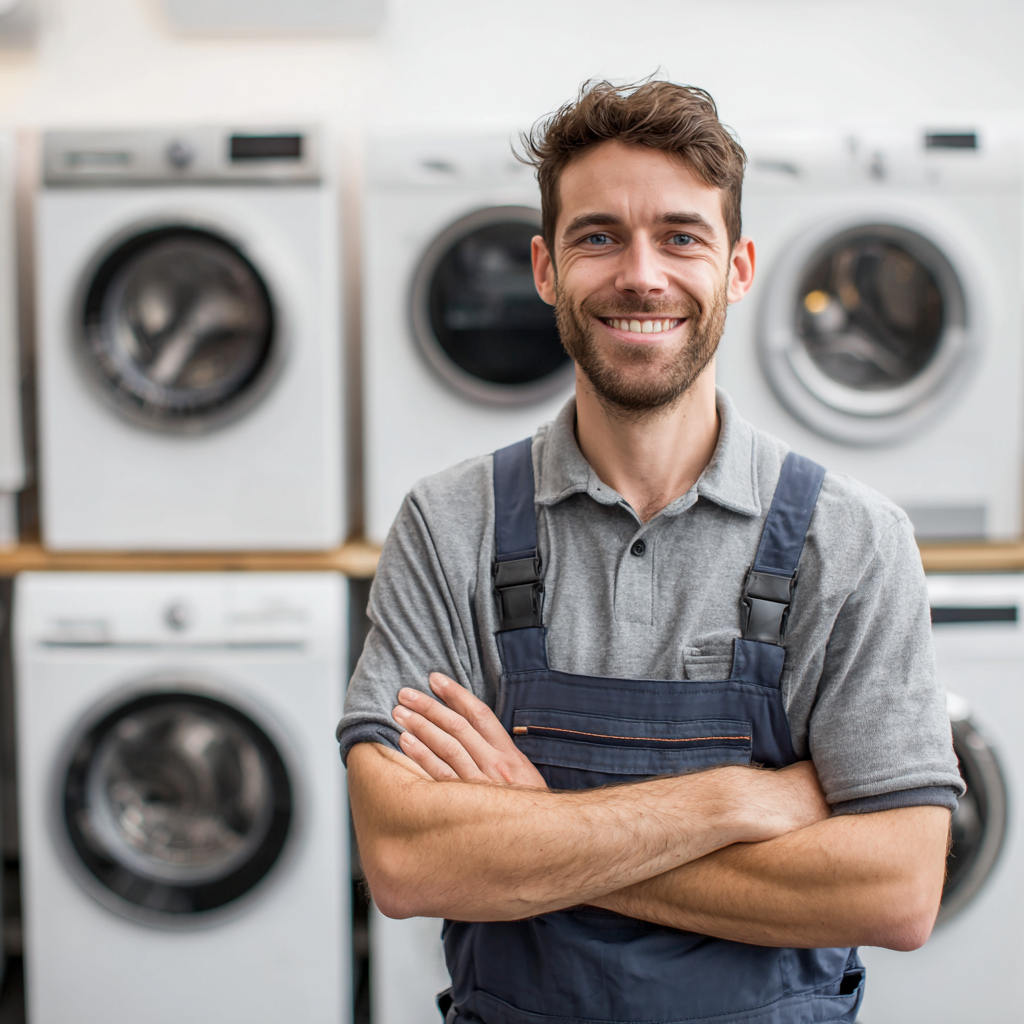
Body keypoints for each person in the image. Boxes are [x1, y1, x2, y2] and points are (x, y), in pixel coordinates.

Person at [338, 79, 963, 1024]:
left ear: (739, 267)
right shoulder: (448, 524)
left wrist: (533, 829)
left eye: (681, 236)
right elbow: (407, 860)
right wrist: (728, 804)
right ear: (546, 269)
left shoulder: (855, 541)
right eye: (599, 237)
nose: (641, 274)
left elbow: (897, 892)